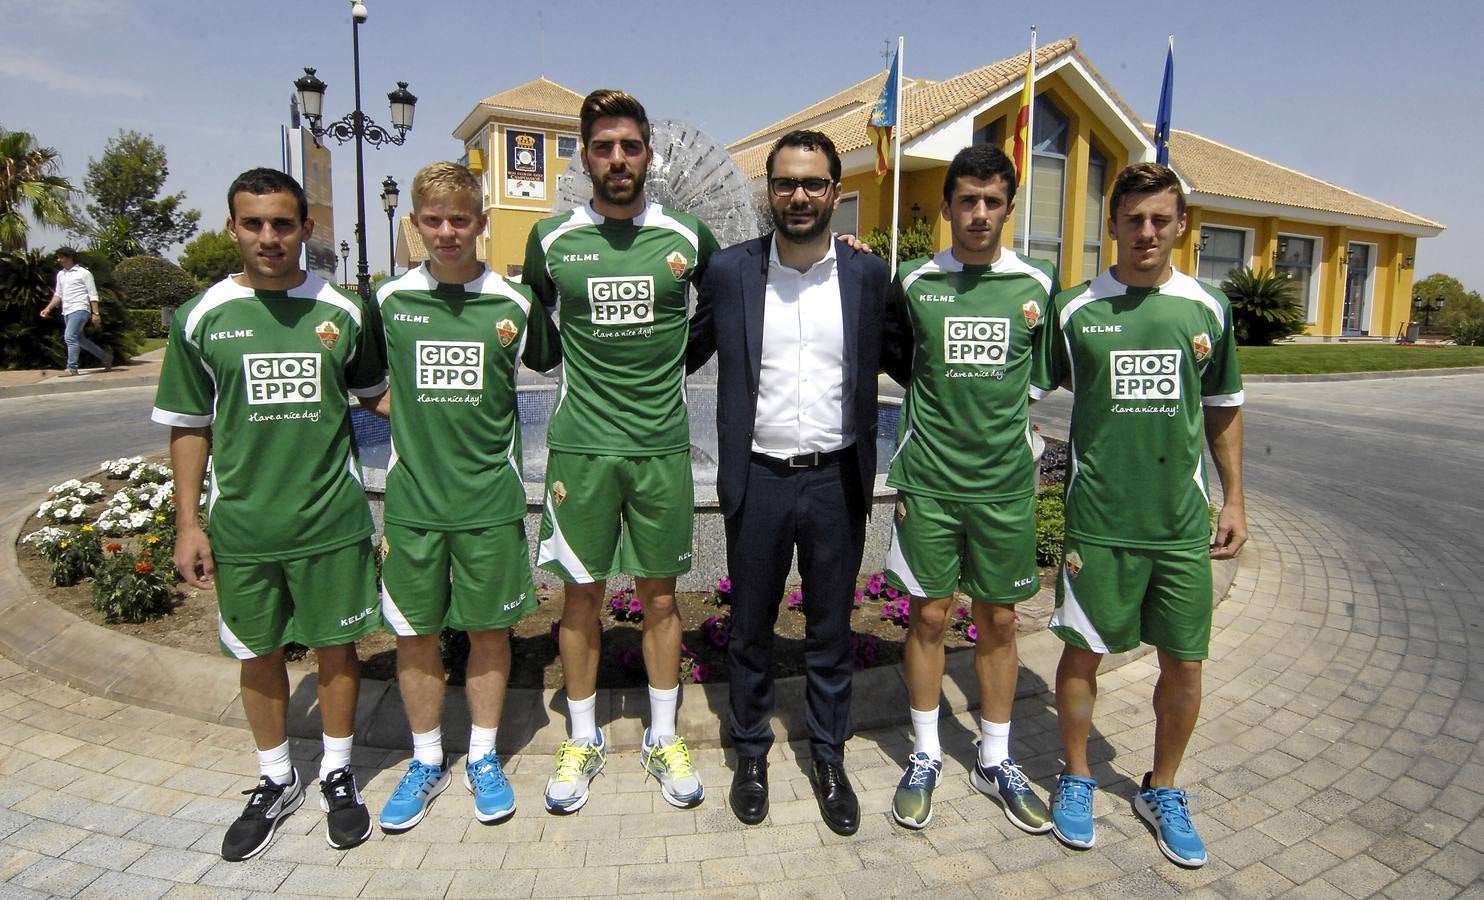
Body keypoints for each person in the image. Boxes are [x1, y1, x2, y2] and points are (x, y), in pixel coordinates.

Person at [152, 168, 387, 861]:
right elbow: (190, 425)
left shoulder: (343, 311)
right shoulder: (201, 317)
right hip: (244, 526)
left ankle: (339, 774)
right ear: (232, 228)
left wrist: (464, 414)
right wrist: (189, 524)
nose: (268, 237)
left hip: (331, 519)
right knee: (257, 656)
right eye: (253, 223)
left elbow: (377, 397)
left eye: (282, 224)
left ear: (305, 229)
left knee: (338, 649)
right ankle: (276, 778)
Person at [1030, 162, 1246, 868]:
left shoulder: (1207, 308)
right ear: (1113, 226)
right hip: (1097, 522)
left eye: (1161, 218)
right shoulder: (1073, 310)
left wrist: (1235, 498)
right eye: (1133, 219)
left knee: (1185, 664)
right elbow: (1018, 387)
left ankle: (1163, 788)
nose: (1147, 232)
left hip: (1179, 525)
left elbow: (1223, 410)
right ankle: (1077, 777)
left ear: (1182, 224)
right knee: (1082, 654)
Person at [688, 130, 898, 836]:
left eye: (813, 183)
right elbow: (677, 352)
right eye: (785, 183)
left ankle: (829, 758)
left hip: (836, 479)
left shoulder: (869, 278)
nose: (798, 196)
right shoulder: (730, 272)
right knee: (749, 629)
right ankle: (750, 755)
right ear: (767, 192)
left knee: (830, 631)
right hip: (760, 479)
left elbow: (913, 357)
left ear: (836, 192)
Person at [522, 89, 719, 814]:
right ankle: (583, 738)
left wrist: (683, 360)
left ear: (647, 154)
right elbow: (535, 335)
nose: (616, 160)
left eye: (628, 147)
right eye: (602, 147)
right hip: (581, 451)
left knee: (663, 598)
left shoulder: (688, 235)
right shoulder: (550, 241)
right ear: (584, 155)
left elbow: (727, 305)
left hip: (663, 448)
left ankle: (665, 737)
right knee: (580, 599)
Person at [369, 162, 559, 831]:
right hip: (416, 504)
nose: (447, 232)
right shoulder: (389, 301)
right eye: (433, 220)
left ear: (481, 222)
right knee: (415, 635)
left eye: (460, 219)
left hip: (489, 502)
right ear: (416, 224)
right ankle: (425, 760)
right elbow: (362, 384)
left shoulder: (514, 304)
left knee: (487, 633)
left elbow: (561, 360)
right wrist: (414, 419)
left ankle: (482, 756)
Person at [883, 144, 1058, 832]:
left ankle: (995, 758)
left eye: (992, 202)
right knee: (928, 618)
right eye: (967, 201)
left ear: (1008, 209)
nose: (979, 214)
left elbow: (1039, 374)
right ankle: (924, 754)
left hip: (1005, 489)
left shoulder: (1037, 285)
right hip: (929, 482)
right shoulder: (914, 281)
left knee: (1001, 621)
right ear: (948, 208)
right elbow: (899, 360)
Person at [40, 247, 112, 375]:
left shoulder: (84, 273)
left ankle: (72, 367)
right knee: (79, 339)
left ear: (69, 257)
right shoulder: (61, 274)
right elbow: (58, 294)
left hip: (80, 309)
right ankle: (105, 358)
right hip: (67, 310)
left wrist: (95, 313)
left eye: (61, 257)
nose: (59, 260)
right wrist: (48, 308)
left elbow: (93, 294)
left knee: (70, 337)